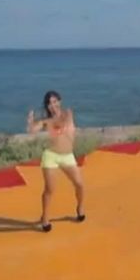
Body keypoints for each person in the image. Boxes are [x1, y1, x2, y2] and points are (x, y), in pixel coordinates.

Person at [26, 90, 85, 232]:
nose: (52, 105)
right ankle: (45, 218)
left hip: (67, 155)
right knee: (50, 189)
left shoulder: (68, 114)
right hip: (51, 156)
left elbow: (63, 123)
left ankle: (80, 207)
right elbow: (32, 131)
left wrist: (53, 122)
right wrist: (30, 122)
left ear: (60, 101)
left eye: (54, 102)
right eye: (49, 103)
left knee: (79, 184)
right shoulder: (46, 121)